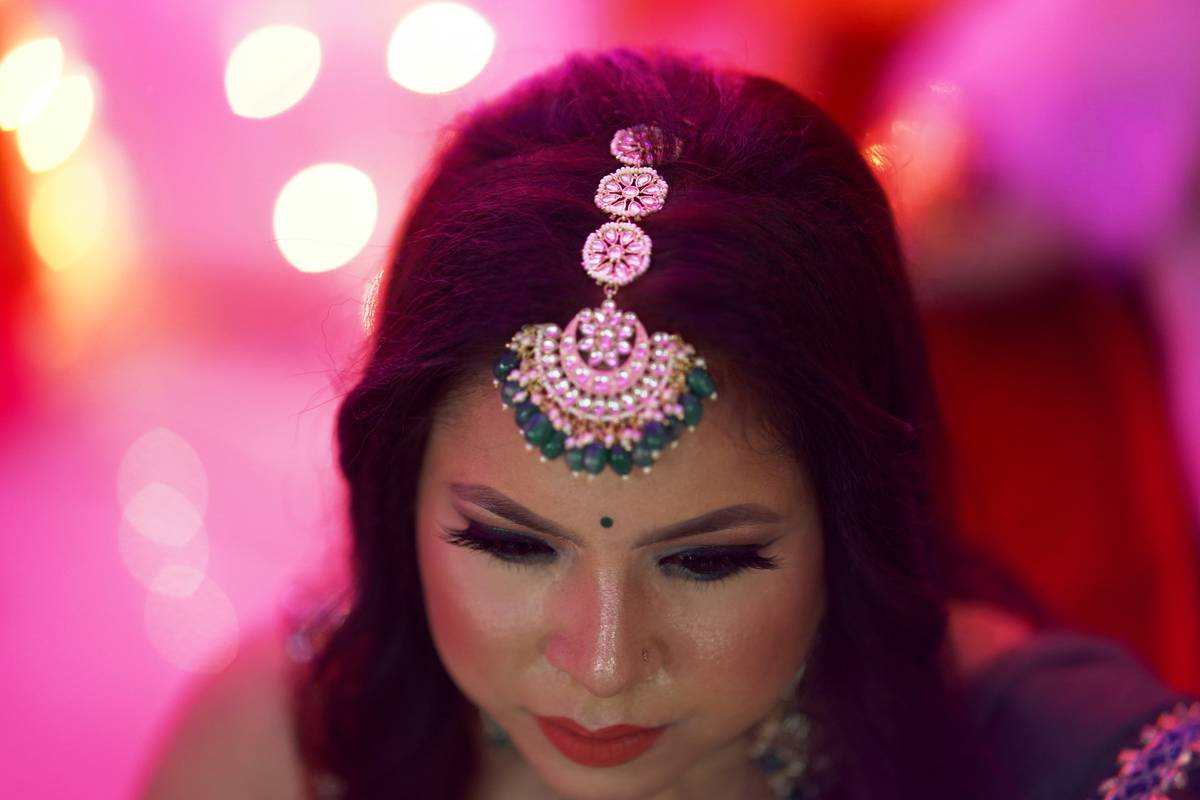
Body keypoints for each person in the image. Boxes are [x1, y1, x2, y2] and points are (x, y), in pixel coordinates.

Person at [139, 48, 1199, 800]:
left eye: (708, 559)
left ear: (854, 515)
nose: (602, 662)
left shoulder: (1051, 755)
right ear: (391, 491)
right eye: (511, 541)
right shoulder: (288, 746)